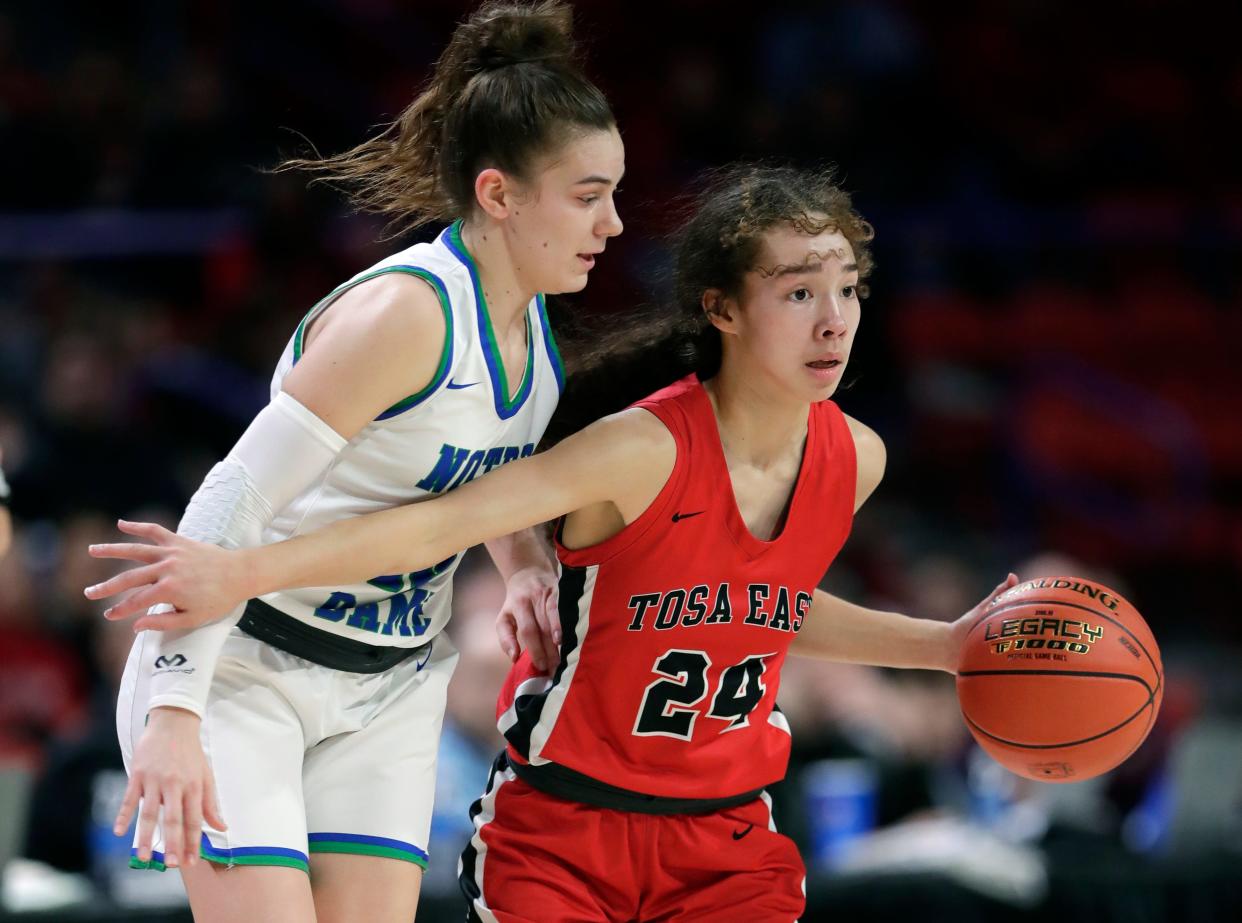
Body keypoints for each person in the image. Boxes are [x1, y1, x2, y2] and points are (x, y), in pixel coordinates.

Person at [88, 164, 1014, 922]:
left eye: (848, 290)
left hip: (726, 836)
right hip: (570, 833)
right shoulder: (637, 450)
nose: (834, 320)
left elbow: (761, 606)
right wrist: (246, 569)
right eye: (800, 291)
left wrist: (940, 646)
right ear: (723, 309)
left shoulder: (855, 458)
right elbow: (446, 520)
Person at [96, 2, 623, 921]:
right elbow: (231, 501)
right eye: (587, 196)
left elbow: (470, 481)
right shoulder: (410, 316)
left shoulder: (532, 319)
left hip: (391, 686)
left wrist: (527, 564)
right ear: (498, 195)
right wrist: (172, 712)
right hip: (244, 670)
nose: (613, 223)